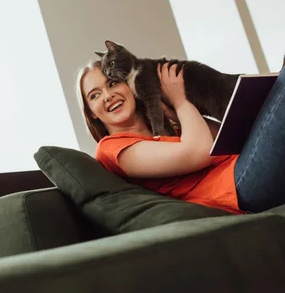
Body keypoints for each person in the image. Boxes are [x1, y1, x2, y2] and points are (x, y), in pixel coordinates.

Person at [76, 60, 285, 214]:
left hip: (243, 168)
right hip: (237, 189)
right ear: (91, 112)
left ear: (128, 86)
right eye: (95, 95)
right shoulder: (111, 148)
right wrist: (181, 101)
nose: (108, 95)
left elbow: (226, 139)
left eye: (113, 83)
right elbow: (200, 151)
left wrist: (175, 114)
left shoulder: (166, 128)